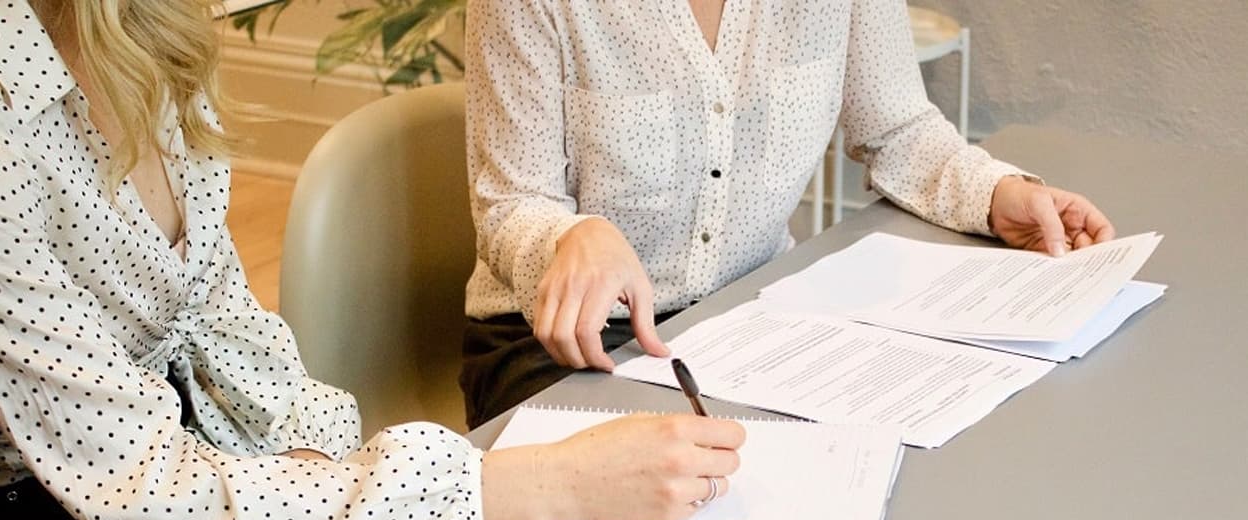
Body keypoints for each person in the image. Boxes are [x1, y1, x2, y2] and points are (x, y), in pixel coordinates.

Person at [0, 0, 745, 520]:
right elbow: (154, 497)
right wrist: (555, 482)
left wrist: (315, 467)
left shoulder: (148, 36)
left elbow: (224, 330)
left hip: (184, 485)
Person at [460, 0, 1117, 428]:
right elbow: (511, 203)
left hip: (750, 322)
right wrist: (573, 237)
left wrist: (997, 194)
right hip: (563, 343)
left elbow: (897, 128)